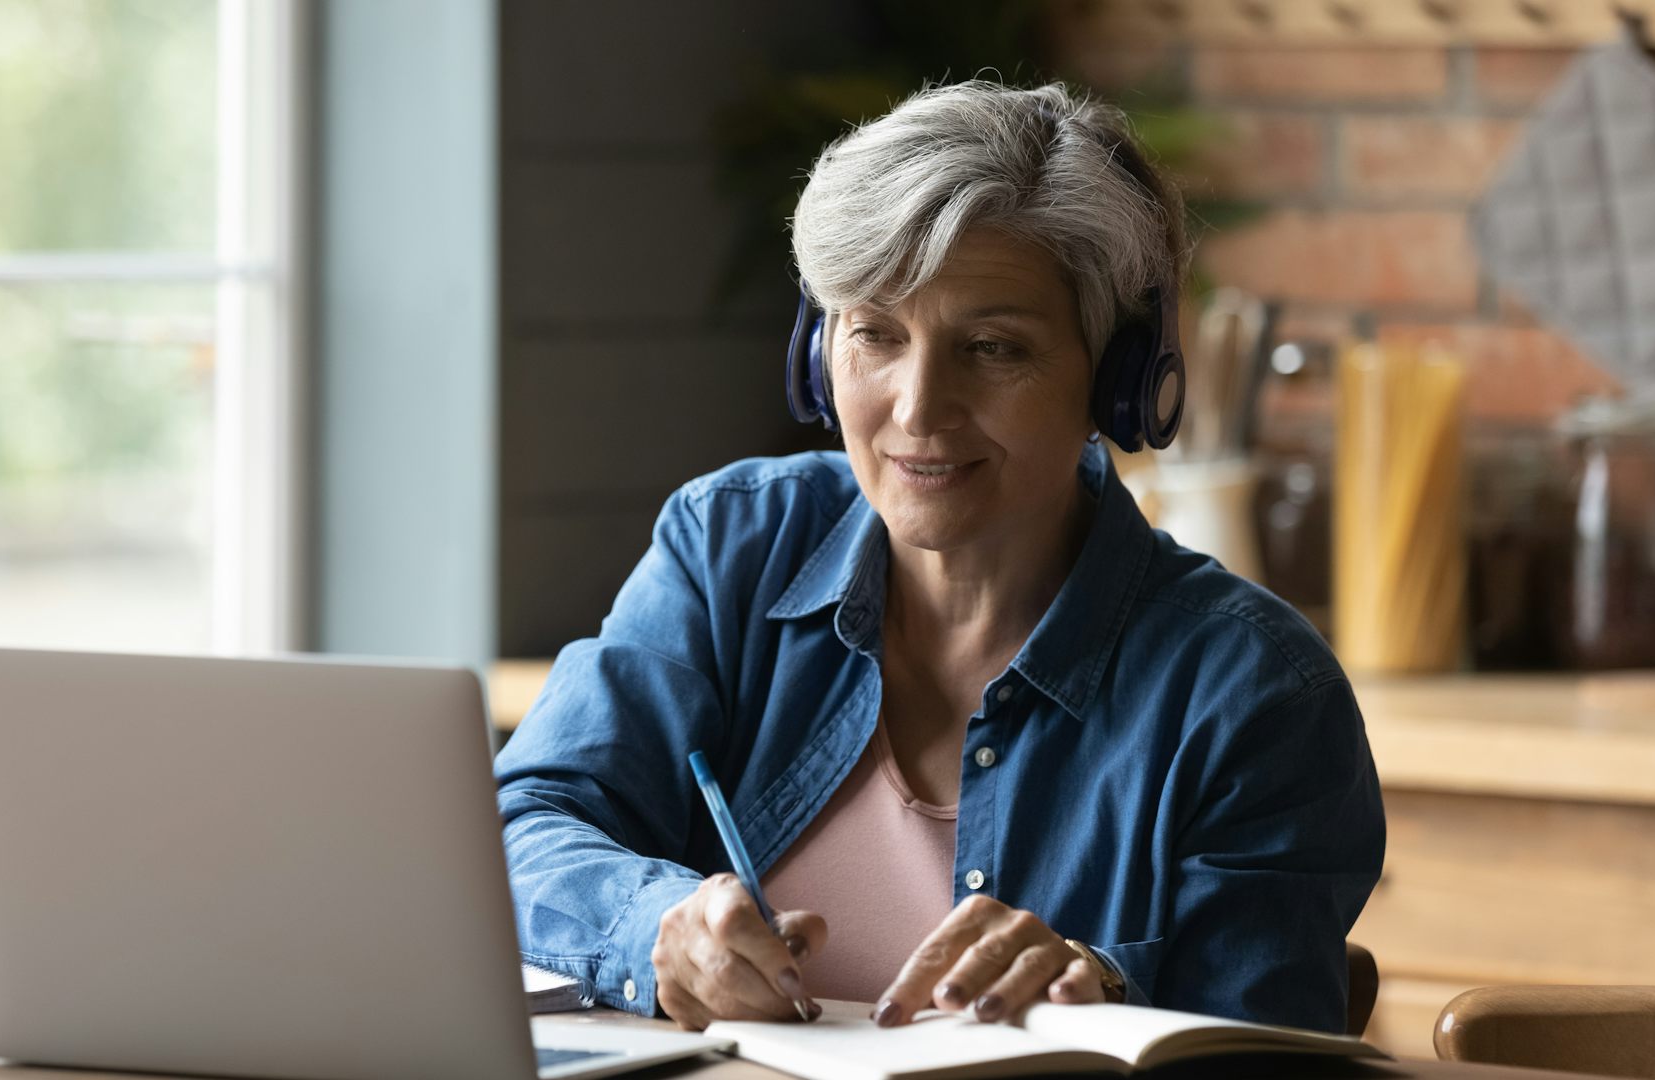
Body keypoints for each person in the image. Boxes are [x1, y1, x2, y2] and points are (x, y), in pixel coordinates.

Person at [494, 80, 1384, 1035]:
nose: (917, 409)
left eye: (993, 347)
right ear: (816, 350)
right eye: (875, 334)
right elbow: (525, 827)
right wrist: (653, 927)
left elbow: (1258, 1046)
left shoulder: (1255, 695)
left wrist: (1103, 986)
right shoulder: (731, 548)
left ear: (1118, 383)